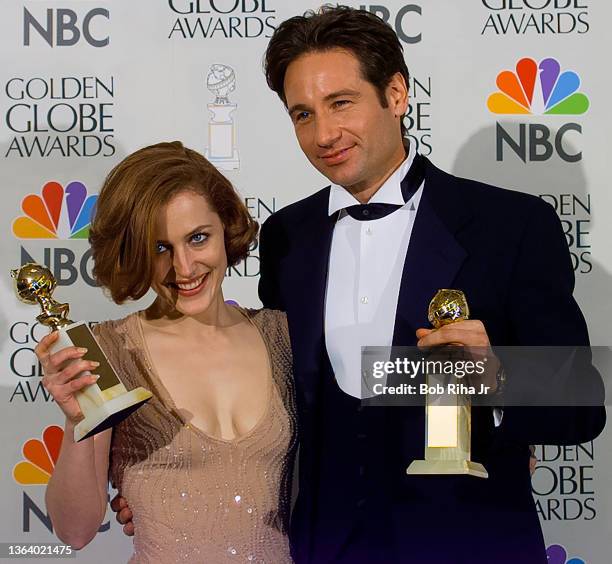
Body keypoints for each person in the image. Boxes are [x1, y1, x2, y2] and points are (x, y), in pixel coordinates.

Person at [114, 7, 605, 563]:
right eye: (302, 113)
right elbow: (276, 404)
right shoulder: (288, 237)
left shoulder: (510, 226)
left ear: (396, 94)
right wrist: (159, 490)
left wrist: (497, 376)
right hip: (325, 548)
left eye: (341, 103)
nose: (324, 134)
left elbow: (582, 405)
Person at [34, 142, 297, 563]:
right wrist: (77, 421)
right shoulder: (106, 349)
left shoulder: (281, 335)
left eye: (198, 238)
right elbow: (75, 530)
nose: (184, 267)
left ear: (226, 227)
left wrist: (446, 430)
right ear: (133, 252)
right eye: (160, 248)